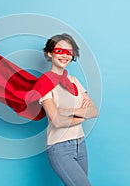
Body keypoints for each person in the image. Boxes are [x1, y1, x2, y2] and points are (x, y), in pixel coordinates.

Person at [39, 33, 98, 186]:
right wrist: (81, 115)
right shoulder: (45, 83)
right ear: (49, 53)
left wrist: (66, 112)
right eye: (60, 51)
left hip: (80, 144)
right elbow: (57, 121)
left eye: (69, 52)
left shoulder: (74, 81)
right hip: (59, 147)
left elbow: (94, 111)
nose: (65, 56)